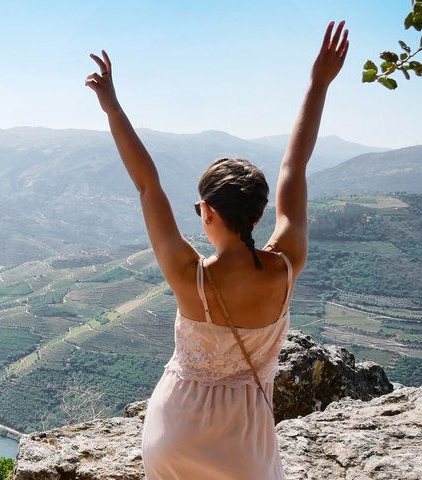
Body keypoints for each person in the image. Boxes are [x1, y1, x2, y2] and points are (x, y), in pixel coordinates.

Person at [84, 21, 349, 479]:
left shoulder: (192, 278)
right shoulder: (287, 265)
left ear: (206, 211)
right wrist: (318, 84)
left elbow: (148, 185)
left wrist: (111, 106)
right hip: (244, 441)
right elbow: (295, 163)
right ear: (260, 213)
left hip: (175, 432)